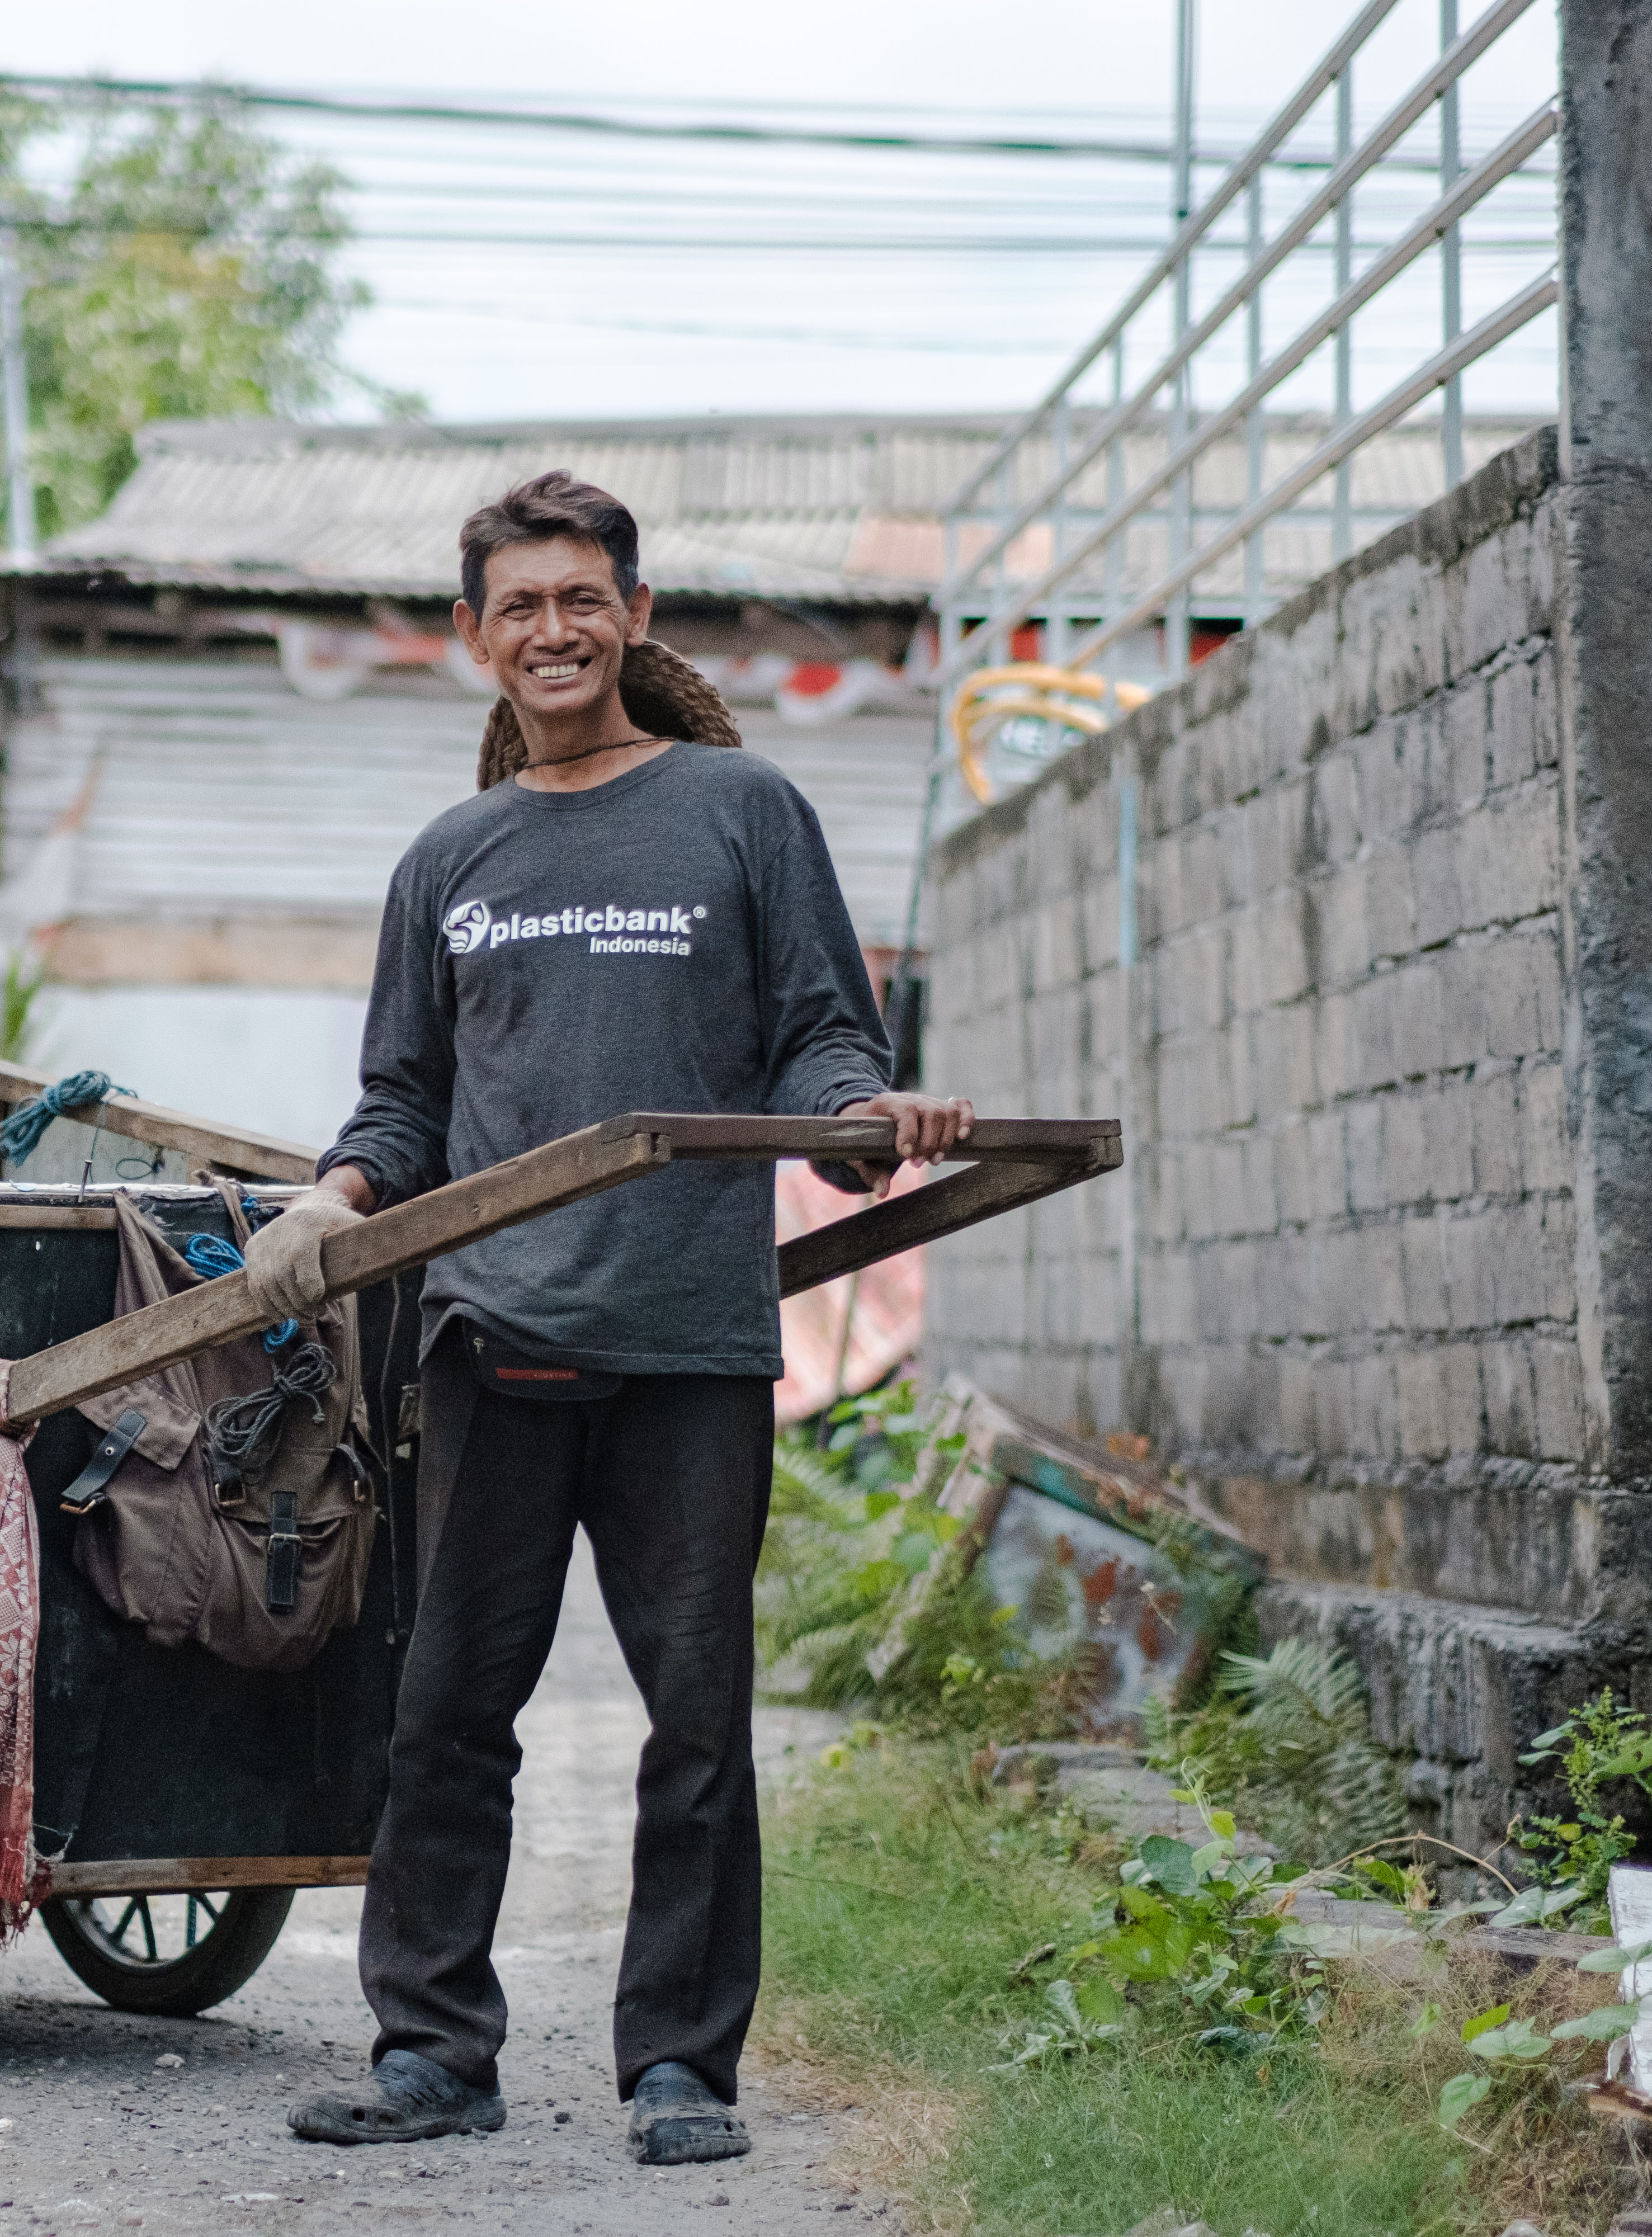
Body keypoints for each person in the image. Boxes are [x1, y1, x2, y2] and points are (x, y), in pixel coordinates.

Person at [252, 471, 972, 2168]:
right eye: (522, 607)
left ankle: (680, 2069)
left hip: (689, 1343)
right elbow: (405, 1104)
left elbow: (820, 1038)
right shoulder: (452, 858)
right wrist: (329, 1202)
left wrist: (866, 1120)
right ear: (475, 640)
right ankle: (435, 2053)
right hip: (489, 1336)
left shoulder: (741, 808)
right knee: (447, 1715)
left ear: (635, 618)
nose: (556, 631)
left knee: (697, 1718)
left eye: (584, 599)